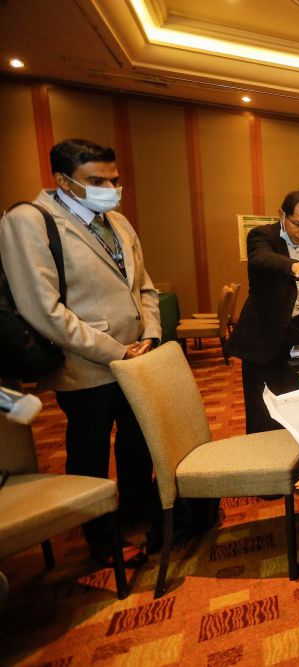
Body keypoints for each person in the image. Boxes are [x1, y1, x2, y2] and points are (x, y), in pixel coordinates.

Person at [0, 138, 160, 567]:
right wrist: (115, 350)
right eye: (96, 180)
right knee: (89, 451)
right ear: (63, 181)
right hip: (84, 364)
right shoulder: (28, 221)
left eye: (114, 179)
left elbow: (145, 286)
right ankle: (100, 537)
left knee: (137, 443)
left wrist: (152, 335)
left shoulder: (119, 222)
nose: (109, 187)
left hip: (136, 359)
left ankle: (136, 515)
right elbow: (43, 309)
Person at [226, 191, 299, 433]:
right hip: (263, 335)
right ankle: (262, 465)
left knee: (295, 399)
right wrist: (294, 265)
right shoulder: (262, 236)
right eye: (298, 225)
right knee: (262, 407)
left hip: (295, 333)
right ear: (282, 214)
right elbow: (263, 259)